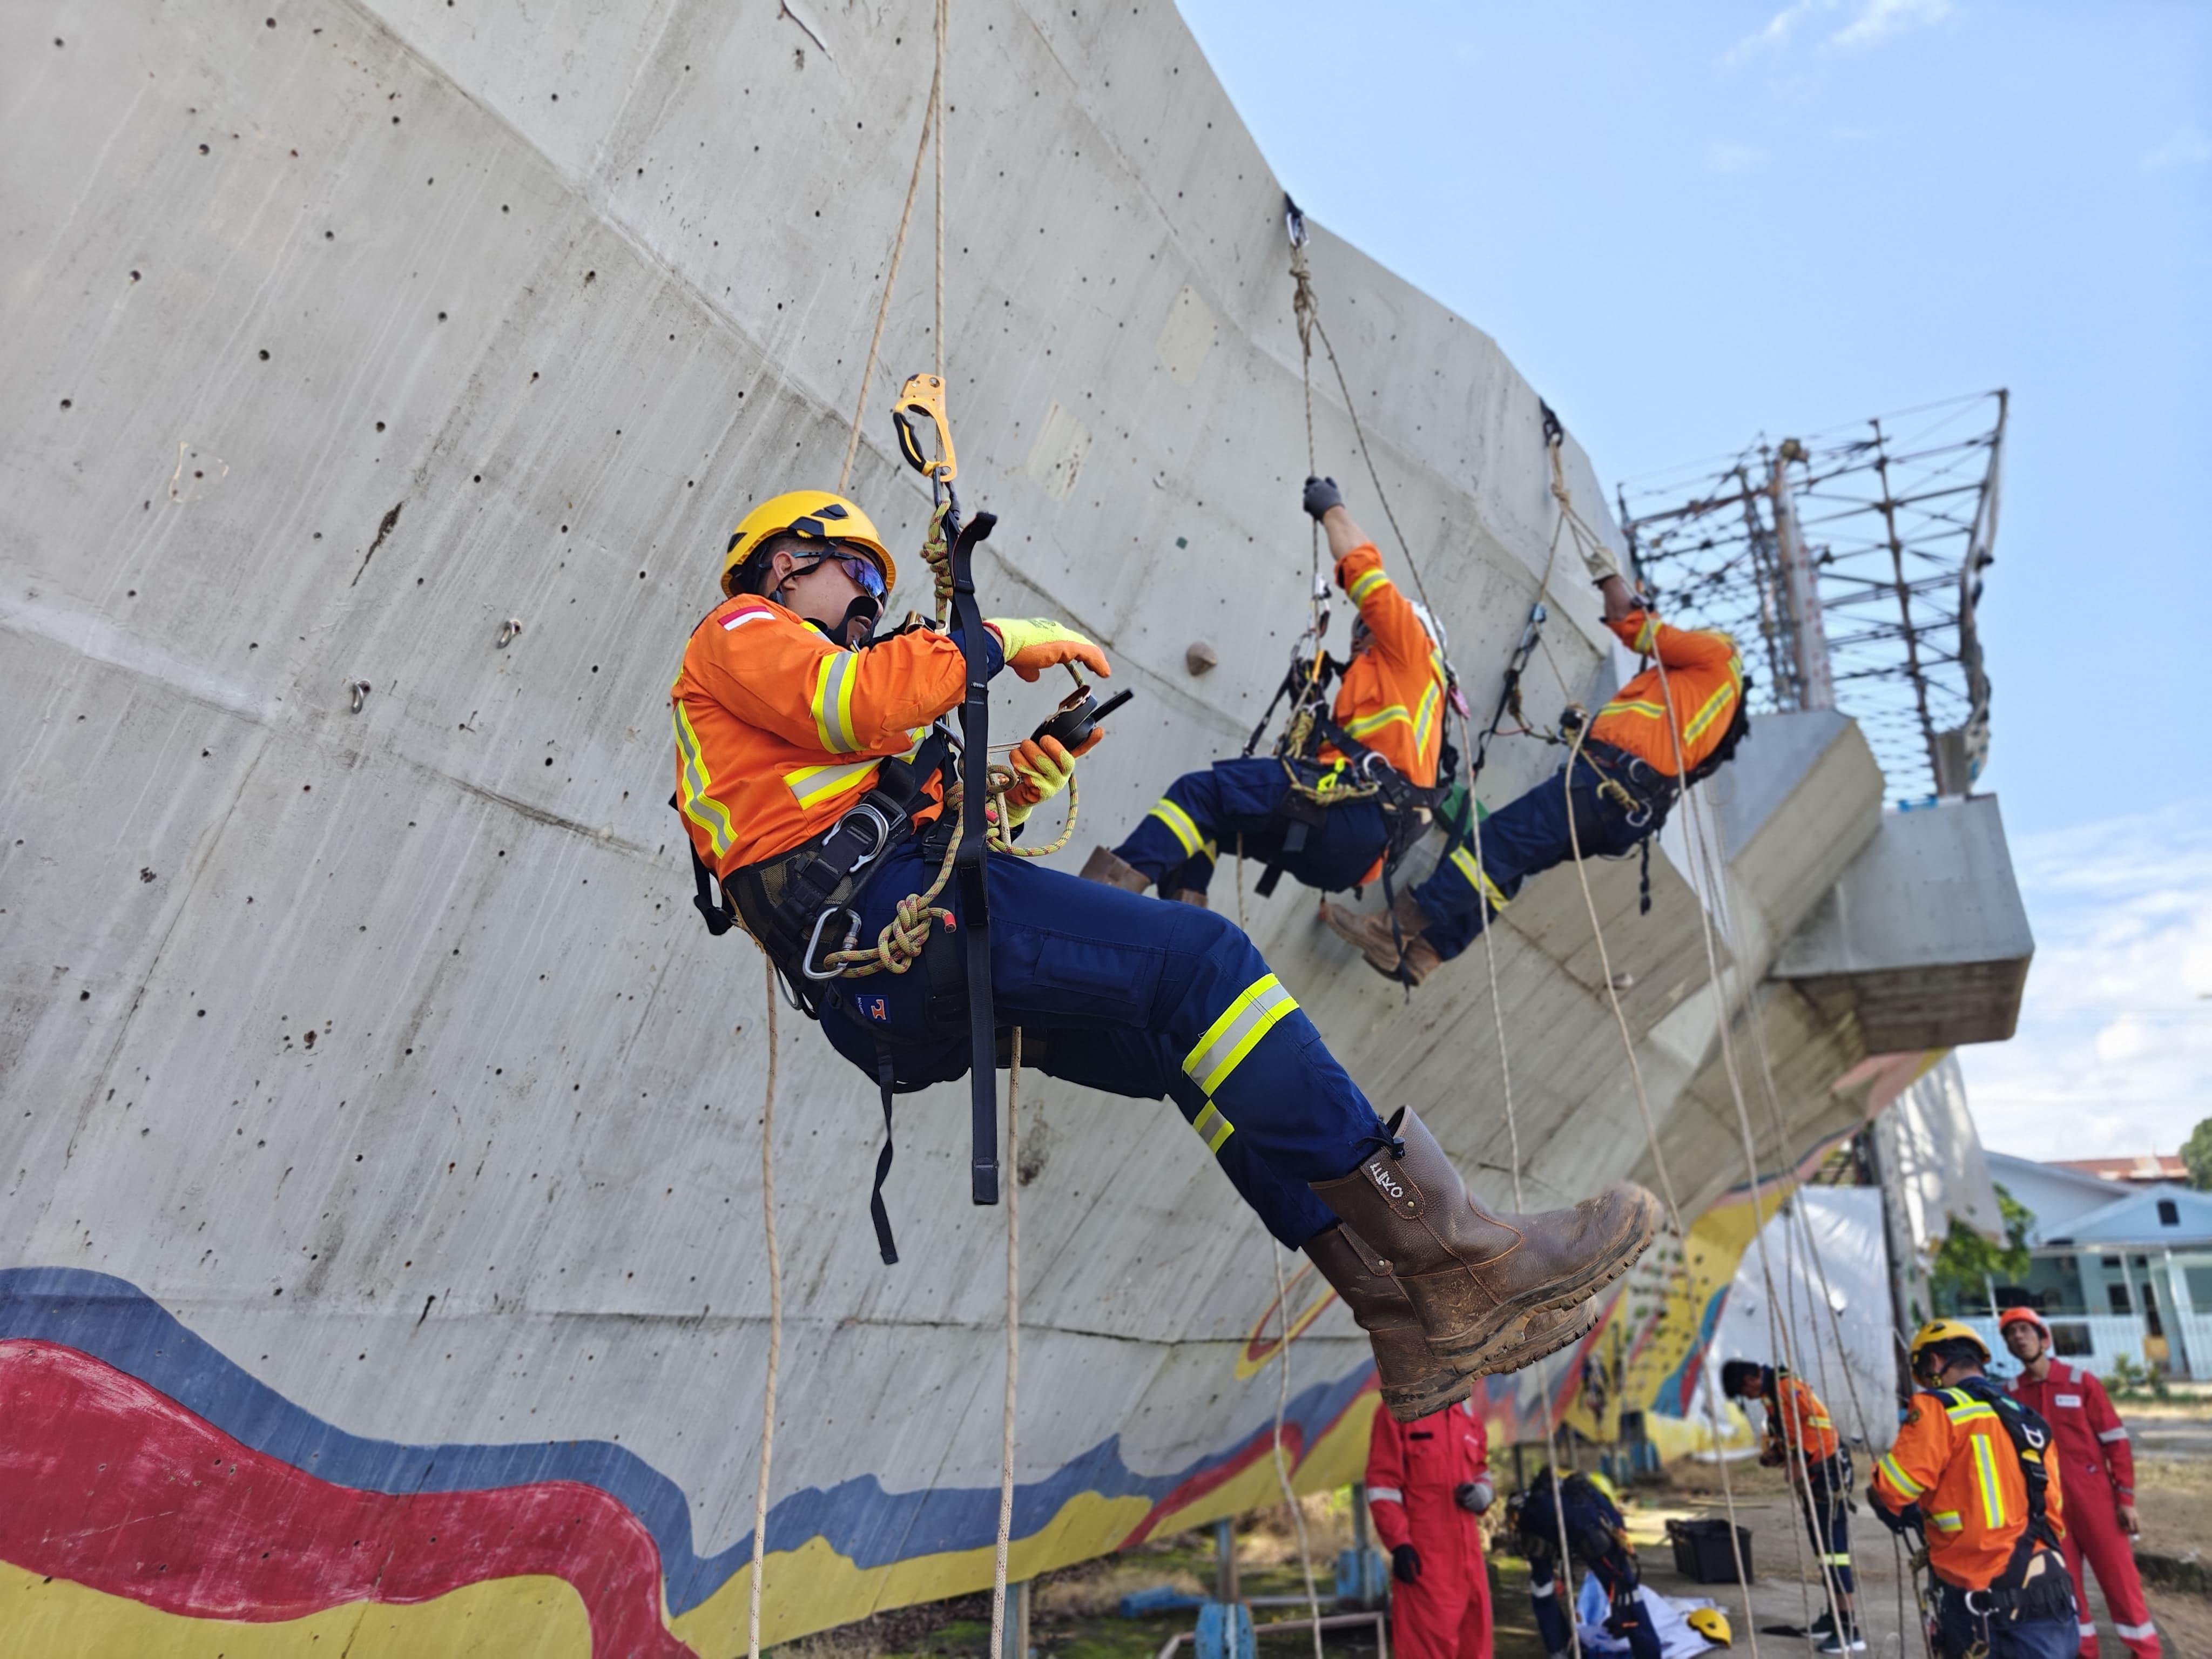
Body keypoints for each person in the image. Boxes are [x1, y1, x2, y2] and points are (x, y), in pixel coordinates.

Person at [670, 488, 1661, 1415]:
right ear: (788, 564)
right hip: (896, 931)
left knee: (1180, 1045)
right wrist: (996, 640)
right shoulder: (743, 630)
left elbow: (915, 818)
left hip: (889, 973)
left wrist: (1026, 781)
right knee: (1204, 962)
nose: (870, 602)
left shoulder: (799, 719)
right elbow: (862, 705)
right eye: (858, 575)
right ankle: (1454, 1248)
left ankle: (1396, 1310)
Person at [1322, 557, 1748, 988]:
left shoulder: (1719, 654)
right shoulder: (1708, 705)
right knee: (1509, 866)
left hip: (1604, 786)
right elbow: (1651, 737)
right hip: (1619, 807)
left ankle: (1392, 931)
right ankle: (1428, 951)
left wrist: (1606, 572)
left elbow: (1634, 624)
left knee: (1495, 844)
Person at [1083, 476, 1446, 909]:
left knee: (1198, 795)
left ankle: (1093, 906)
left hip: (1355, 809)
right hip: (1352, 852)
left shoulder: (1411, 647)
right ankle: (1178, 930)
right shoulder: (1405, 703)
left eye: (1363, 631)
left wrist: (1331, 509)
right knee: (1208, 826)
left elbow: (1363, 569)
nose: (1355, 642)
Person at [1869, 1320, 2079, 1658]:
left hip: (1988, 1606)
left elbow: (1893, 1490)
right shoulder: (2030, 1421)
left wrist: (1881, 1489)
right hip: (2053, 1597)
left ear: (1934, 1362)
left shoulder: (1939, 1407)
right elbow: (2052, 1512)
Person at [2001, 1306, 2160, 1658]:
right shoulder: (2010, 1395)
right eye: (2011, 1334)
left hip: (2096, 1502)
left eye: (2024, 1330)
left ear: (2044, 1338)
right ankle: (2084, 1653)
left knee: (2122, 1584)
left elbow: (2116, 1441)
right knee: (2066, 1588)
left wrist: (2125, 1499)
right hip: (2048, 1510)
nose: (2018, 1338)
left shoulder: (2080, 1382)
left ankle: (2146, 1652)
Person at [1719, 1361, 1860, 1653]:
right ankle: (1834, 1617)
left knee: (1834, 1554)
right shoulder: (1773, 1394)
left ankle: (1849, 1629)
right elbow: (1794, 1432)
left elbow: (1819, 1426)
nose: (1749, 1398)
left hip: (1827, 1475)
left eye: (1745, 1393)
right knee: (1824, 1553)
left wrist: (1799, 1458)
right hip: (1816, 1476)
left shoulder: (1786, 1387)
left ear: (1750, 1380)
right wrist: (1779, 1454)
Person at [1367, 1398, 1494, 1659]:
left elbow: (1481, 1469)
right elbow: (1382, 1485)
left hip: (1470, 1560)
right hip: (1425, 1561)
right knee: (1425, 1648)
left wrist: (1483, 1493)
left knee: (1476, 1647)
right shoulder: (1398, 1411)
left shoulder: (1466, 1413)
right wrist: (1399, 1543)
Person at [1512, 1468, 1663, 1659]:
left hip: (1538, 1527)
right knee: (1625, 1591)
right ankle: (1648, 1653)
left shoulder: (1536, 1500)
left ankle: (1558, 1650)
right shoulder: (1590, 1496)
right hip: (1587, 1529)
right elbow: (1618, 1530)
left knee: (1542, 1588)